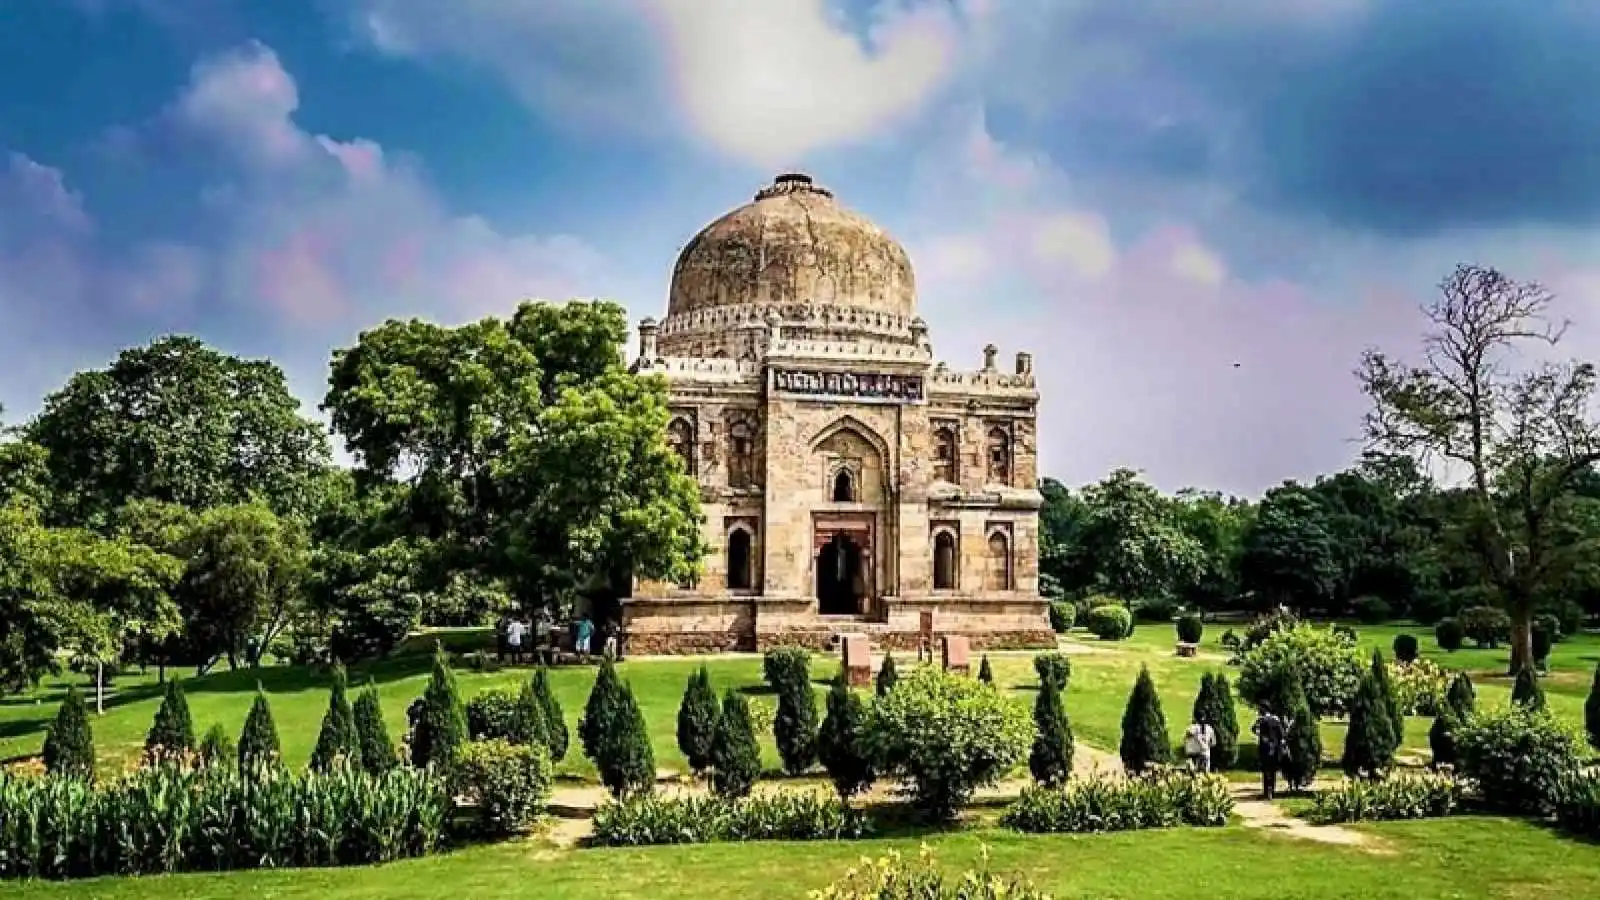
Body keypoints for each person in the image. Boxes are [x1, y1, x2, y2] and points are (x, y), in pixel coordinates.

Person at [1251, 710, 1289, 799]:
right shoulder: (1276, 721)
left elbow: (1253, 729)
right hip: (1274, 749)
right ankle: (1271, 791)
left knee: (1265, 771)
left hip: (1264, 749)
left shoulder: (1261, 720)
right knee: (1272, 771)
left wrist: (1260, 734)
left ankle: (1266, 792)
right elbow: (1282, 735)